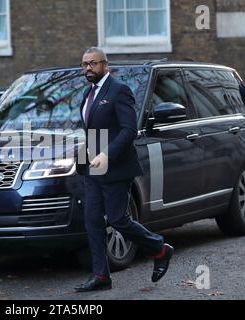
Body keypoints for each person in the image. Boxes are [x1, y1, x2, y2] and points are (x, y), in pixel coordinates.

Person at [74, 47, 174, 292]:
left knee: (118, 219)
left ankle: (160, 249)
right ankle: (101, 276)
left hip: (116, 166)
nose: (88, 68)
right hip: (94, 167)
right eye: (85, 64)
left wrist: (107, 154)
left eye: (93, 64)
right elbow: (91, 131)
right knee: (93, 221)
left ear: (105, 65)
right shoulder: (88, 94)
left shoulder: (119, 90)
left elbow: (129, 130)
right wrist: (82, 158)